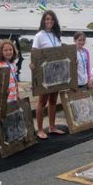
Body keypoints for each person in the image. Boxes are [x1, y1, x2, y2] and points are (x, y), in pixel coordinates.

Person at [31, 10, 65, 140]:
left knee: (53, 101)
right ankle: (40, 129)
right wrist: (34, 66)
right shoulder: (39, 35)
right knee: (42, 101)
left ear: (54, 21)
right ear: (43, 21)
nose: (49, 21)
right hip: (44, 74)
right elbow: (34, 53)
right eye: (47, 19)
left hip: (56, 73)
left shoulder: (56, 36)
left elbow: (61, 53)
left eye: (51, 19)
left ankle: (52, 126)